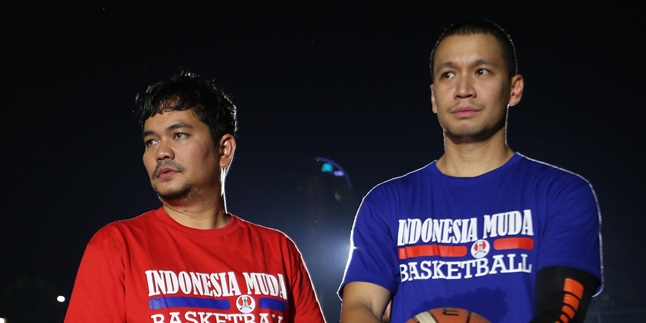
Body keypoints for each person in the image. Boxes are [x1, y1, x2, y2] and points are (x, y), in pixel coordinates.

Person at [337, 18, 603, 323]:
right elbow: (361, 306)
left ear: (514, 89)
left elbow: (561, 309)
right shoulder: (386, 202)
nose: (463, 89)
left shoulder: (561, 193)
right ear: (434, 97)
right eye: (448, 74)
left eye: (481, 71)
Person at [64, 70, 326, 323]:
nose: (161, 153)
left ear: (224, 150)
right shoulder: (117, 246)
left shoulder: (278, 250)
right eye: (151, 142)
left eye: (179, 135)